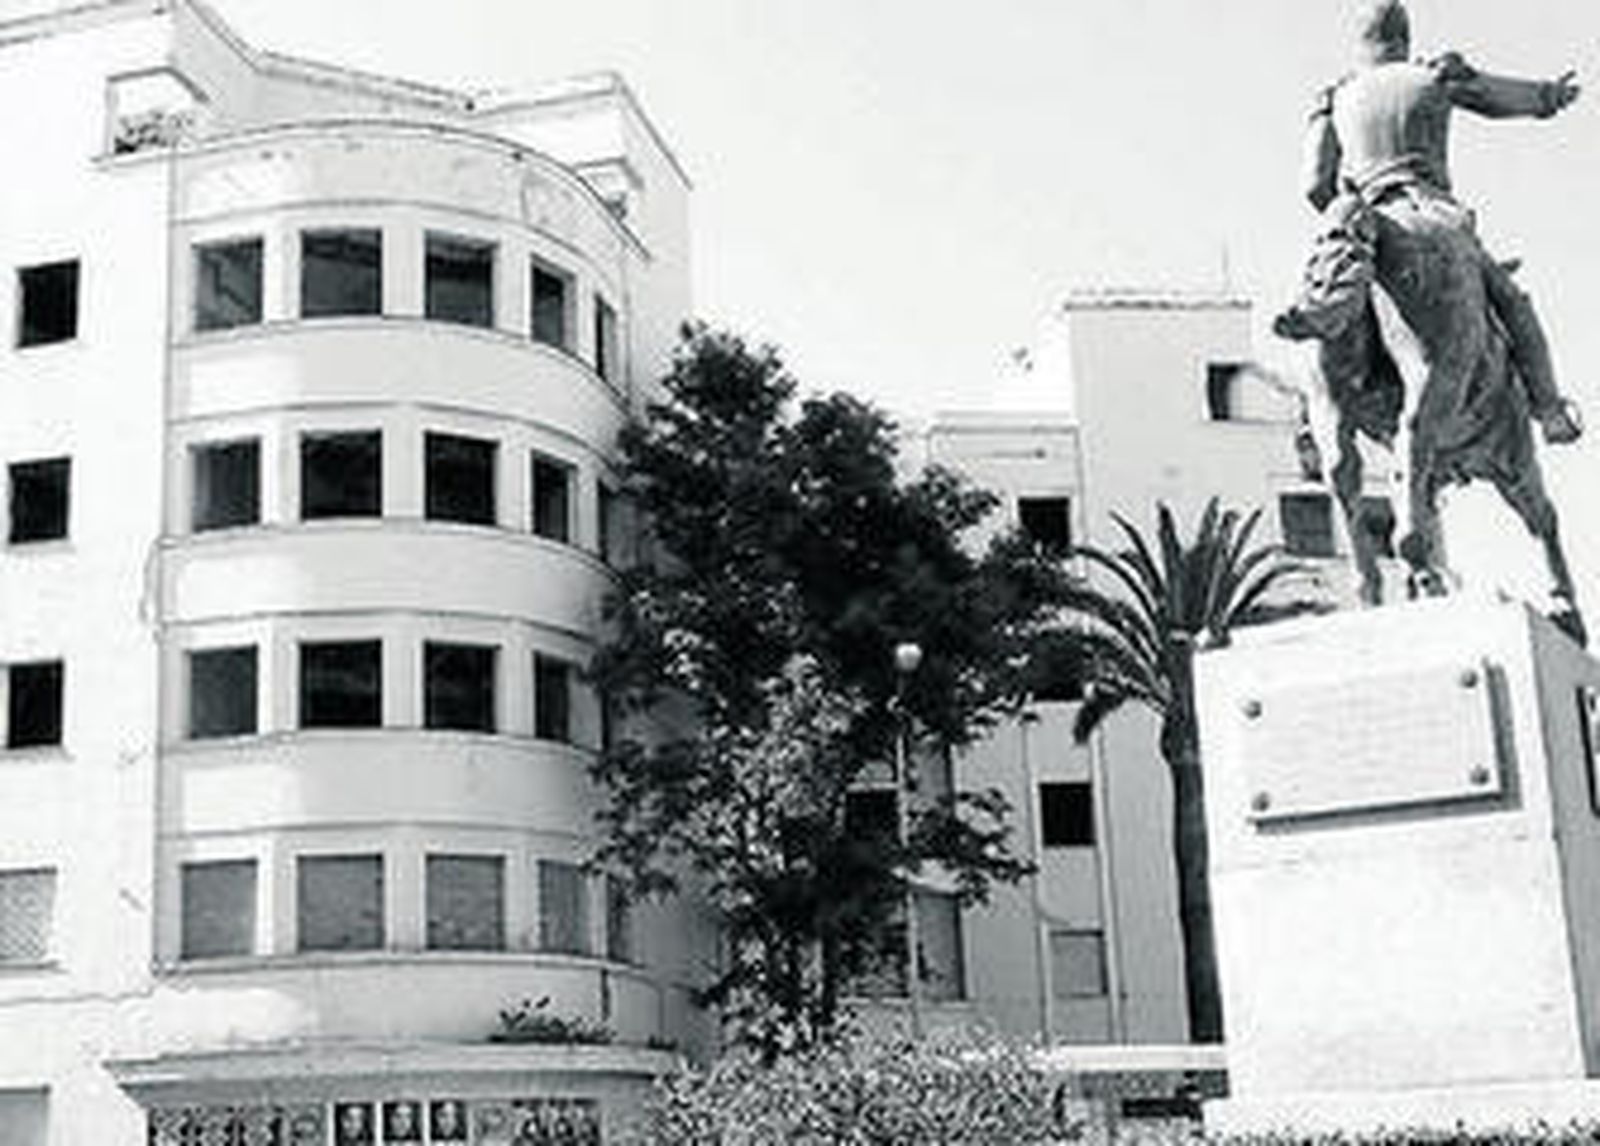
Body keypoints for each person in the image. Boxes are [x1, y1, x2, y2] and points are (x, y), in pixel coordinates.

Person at [1275, 0, 1583, 445]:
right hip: (1430, 212)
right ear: (1404, 37)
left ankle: (1320, 314)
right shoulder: (1433, 76)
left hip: (1361, 218)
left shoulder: (1335, 96)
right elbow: (1495, 97)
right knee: (1512, 301)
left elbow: (1313, 185)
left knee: (1326, 280)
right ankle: (1550, 410)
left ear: (1360, 42)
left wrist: (1350, 213)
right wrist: (1548, 97)